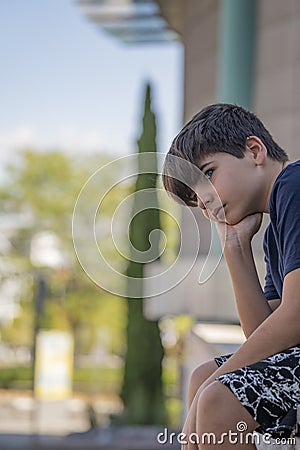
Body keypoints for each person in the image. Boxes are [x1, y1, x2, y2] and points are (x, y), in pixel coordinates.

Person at [162, 104, 300, 449]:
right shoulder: (274, 232)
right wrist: (235, 249)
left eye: (208, 173)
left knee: (216, 395)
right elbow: (265, 338)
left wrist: (218, 385)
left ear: (254, 151)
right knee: (202, 377)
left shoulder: (294, 185)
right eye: (196, 200)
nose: (206, 201)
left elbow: (295, 317)